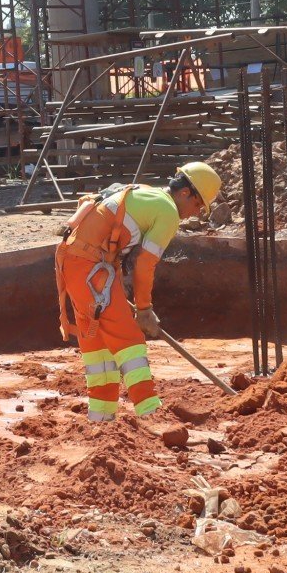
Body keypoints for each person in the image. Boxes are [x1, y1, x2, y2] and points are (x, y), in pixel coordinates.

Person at [54, 162, 220, 423]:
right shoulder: (167, 211)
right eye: (198, 205)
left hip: (77, 267)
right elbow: (144, 263)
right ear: (186, 193)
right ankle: (152, 415)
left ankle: (100, 420)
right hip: (91, 270)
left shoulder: (146, 192)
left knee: (99, 348)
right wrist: (144, 309)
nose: (196, 213)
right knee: (130, 341)